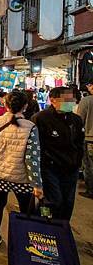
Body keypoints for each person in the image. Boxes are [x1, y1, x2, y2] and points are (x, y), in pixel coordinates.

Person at [0, 91, 44, 248]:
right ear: (26, 106)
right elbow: (32, 157)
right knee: (25, 208)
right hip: (20, 176)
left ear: (5, 105)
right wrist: (37, 184)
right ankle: (24, 239)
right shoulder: (31, 127)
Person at [32, 87, 85, 221]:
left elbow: (79, 143)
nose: (70, 103)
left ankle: (62, 229)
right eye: (66, 100)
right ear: (53, 100)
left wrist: (77, 162)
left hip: (71, 168)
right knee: (52, 200)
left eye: (72, 100)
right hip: (49, 168)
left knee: (68, 202)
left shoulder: (76, 120)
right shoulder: (40, 118)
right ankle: (43, 222)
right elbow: (34, 146)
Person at [77, 81, 93, 199]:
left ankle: (91, 191)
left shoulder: (87, 101)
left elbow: (79, 120)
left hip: (90, 138)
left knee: (89, 165)